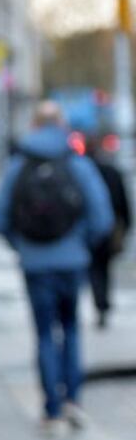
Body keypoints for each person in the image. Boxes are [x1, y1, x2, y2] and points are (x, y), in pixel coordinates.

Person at [0, 101, 113, 435]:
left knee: (44, 332)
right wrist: (80, 245)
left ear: (33, 124)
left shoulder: (19, 165)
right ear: (61, 124)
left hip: (35, 264)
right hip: (72, 262)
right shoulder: (77, 163)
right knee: (71, 328)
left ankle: (51, 408)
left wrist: (23, 246)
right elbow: (102, 216)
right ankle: (73, 399)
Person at [88, 139, 131, 328]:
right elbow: (124, 202)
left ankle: (100, 302)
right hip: (111, 228)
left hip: (91, 229)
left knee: (95, 268)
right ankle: (103, 303)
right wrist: (126, 227)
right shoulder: (113, 172)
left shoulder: (87, 172)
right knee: (105, 268)